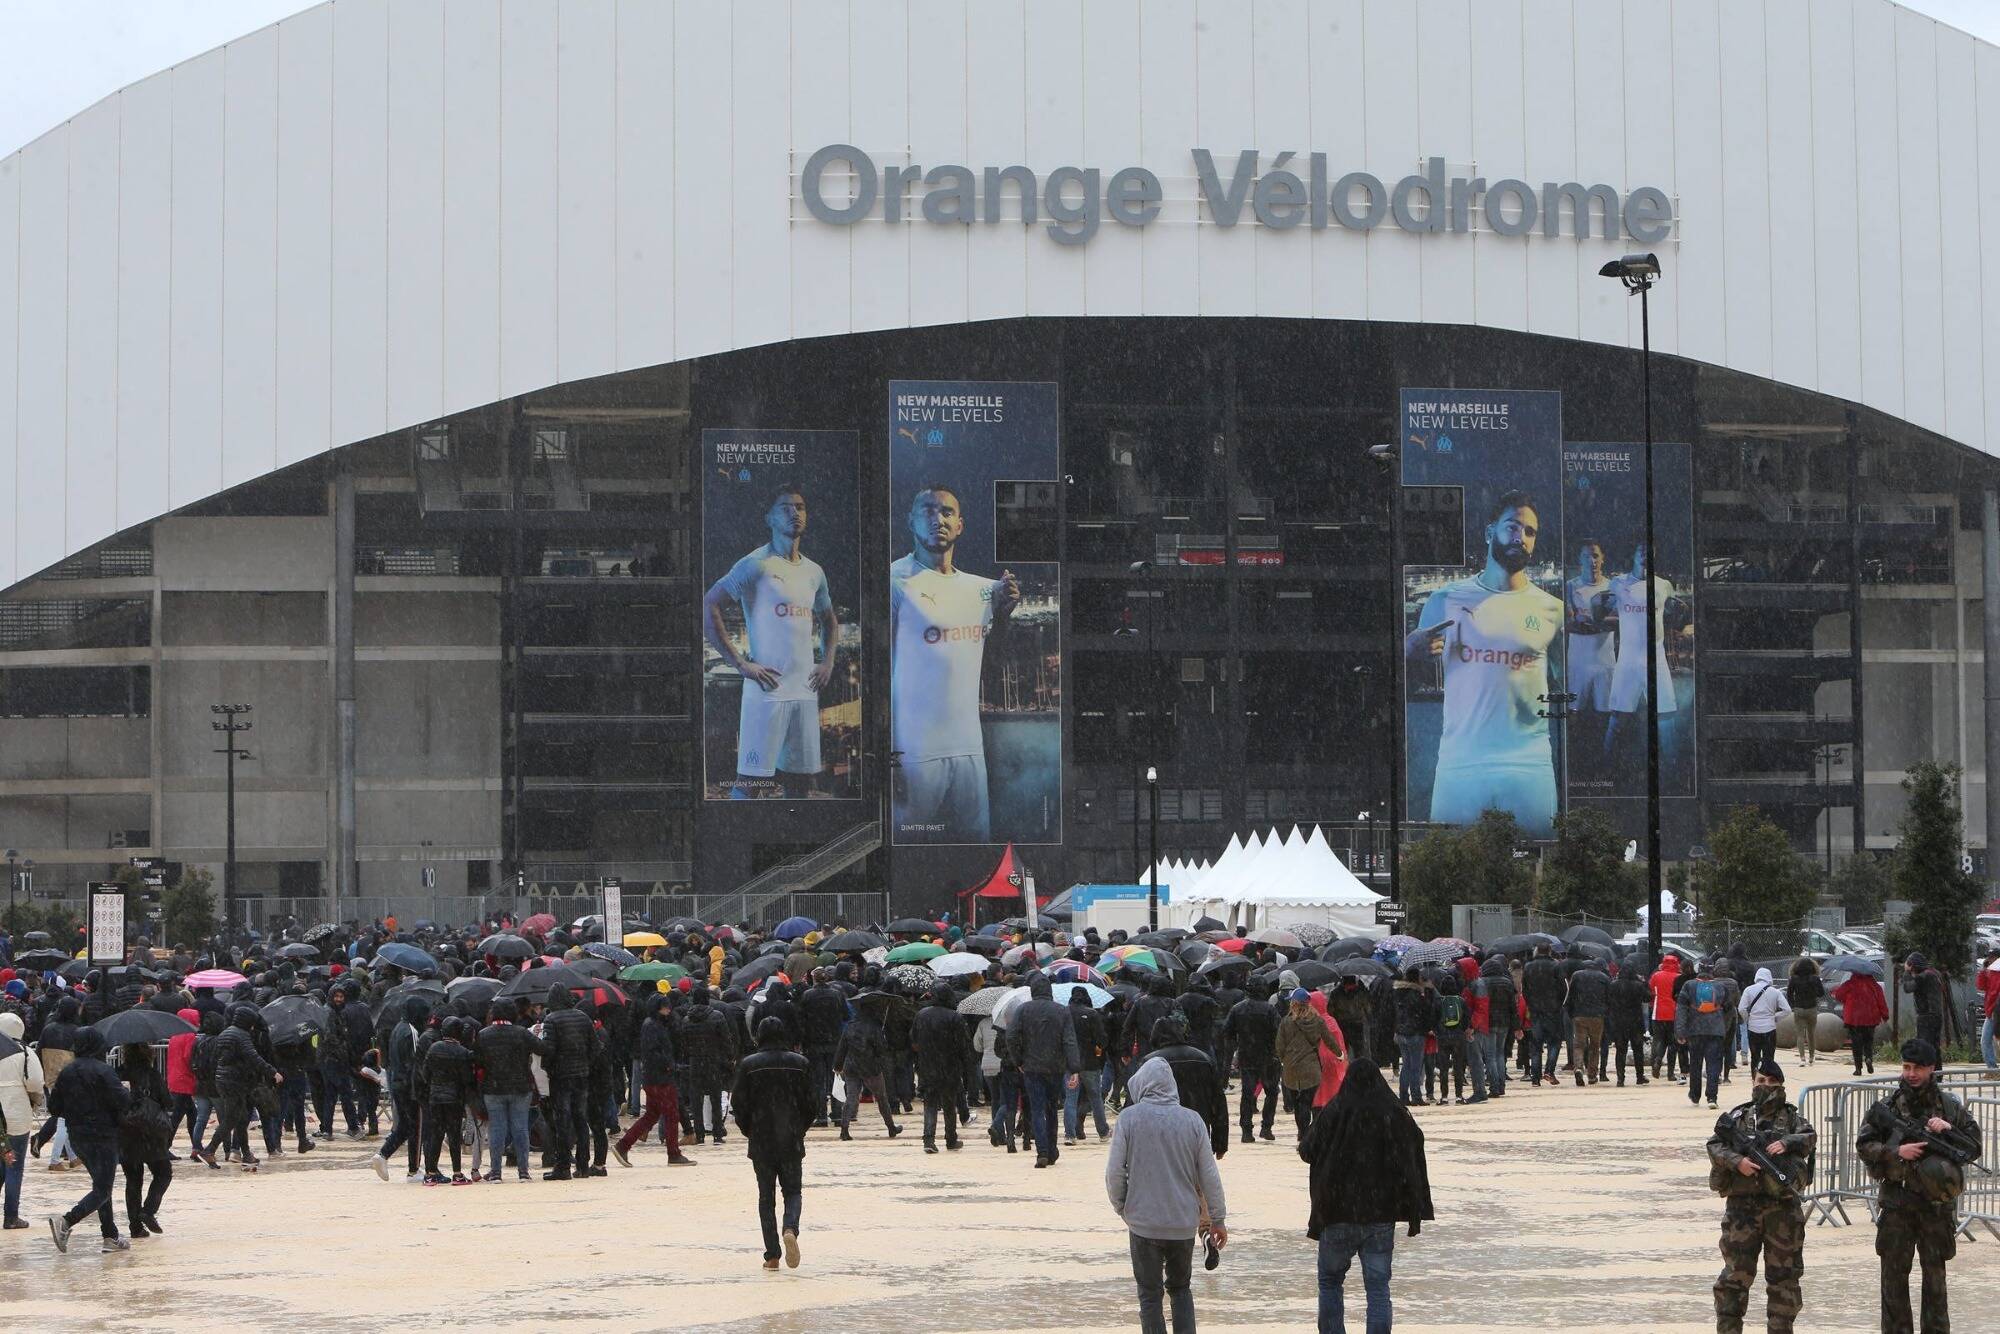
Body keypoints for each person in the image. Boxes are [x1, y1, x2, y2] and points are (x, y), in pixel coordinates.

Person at [1405, 489, 1563, 834]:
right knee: (1451, 874)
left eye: (1529, 531)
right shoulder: (1444, 600)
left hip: (1529, 764)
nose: (1520, 537)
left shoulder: (1552, 609)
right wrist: (1408, 652)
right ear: (1490, 533)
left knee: (1535, 872)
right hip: (1460, 764)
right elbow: (1406, 669)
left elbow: (1565, 682)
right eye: (1512, 526)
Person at [888, 483, 1021, 842]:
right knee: (907, 851)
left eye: (947, 512)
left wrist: (1004, 614)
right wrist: (890, 758)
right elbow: (876, 674)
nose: (938, 519)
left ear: (960, 525)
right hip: (914, 753)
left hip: (968, 749)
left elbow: (993, 664)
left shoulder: (982, 590)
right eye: (928, 511)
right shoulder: (893, 582)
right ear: (910, 521)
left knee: (977, 850)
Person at [701, 486, 840, 800]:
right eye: (785, 507)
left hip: (804, 691)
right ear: (769, 517)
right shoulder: (755, 564)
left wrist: (827, 661)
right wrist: (740, 663)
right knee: (749, 784)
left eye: (800, 507)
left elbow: (829, 619)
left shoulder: (814, 572)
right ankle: (735, 845)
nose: (794, 513)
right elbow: (709, 604)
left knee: (802, 785)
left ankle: (796, 848)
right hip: (766, 691)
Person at [1299, 1053, 1434, 1334]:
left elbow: (1307, 1150)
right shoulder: (1393, 1112)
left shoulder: (1335, 1110)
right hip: (1379, 1213)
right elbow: (1413, 1150)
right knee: (1378, 1287)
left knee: (1330, 1282)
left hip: (1336, 1212)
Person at [1856, 1039, 1983, 1334]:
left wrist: (1949, 1130)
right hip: (1897, 1203)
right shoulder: (1888, 1107)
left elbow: (1973, 1148)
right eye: (1906, 1067)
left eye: (1918, 1068)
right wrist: (1895, 1153)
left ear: (1931, 1069)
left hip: (1935, 1208)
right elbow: (1864, 1144)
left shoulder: (1950, 1107)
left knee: (1935, 1283)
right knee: (1893, 1283)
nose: (1911, 1074)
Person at [1104, 1058, 1228, 1334]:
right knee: (1181, 1289)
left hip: (1143, 1223)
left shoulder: (1129, 1119)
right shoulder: (1192, 1121)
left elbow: (1114, 1173)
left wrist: (1123, 1207)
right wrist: (1217, 1218)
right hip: (1182, 1224)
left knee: (1149, 1295)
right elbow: (1209, 1176)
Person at [1706, 1060, 1815, 1334]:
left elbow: (1809, 1137)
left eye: (1770, 1081)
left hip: (1783, 1213)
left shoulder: (1792, 1119)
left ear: (1780, 1086)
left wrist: (1786, 1143)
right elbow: (1714, 1144)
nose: (1764, 1086)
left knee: (1784, 1281)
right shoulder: (1739, 1117)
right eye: (1759, 1080)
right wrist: (1737, 1161)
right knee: (1734, 1278)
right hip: (1742, 1211)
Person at [730, 1016, 818, 1271]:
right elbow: (811, 1103)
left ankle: (772, 1254)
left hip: (761, 1138)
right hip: (790, 1137)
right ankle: (790, 1227)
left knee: (765, 1197)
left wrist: (750, 1129)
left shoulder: (749, 1065)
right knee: (793, 1191)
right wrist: (799, 1127)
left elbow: (738, 1104)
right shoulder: (800, 1064)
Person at [44, 1029, 130, 1253]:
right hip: (103, 1136)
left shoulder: (67, 1072)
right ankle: (67, 1221)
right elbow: (122, 1101)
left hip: (77, 1137)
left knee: (101, 1186)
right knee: (103, 1189)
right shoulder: (104, 1071)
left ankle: (110, 1236)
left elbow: (54, 1108)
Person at [1603, 542, 1682, 762]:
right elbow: (1601, 610)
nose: (1646, 555)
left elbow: (1674, 612)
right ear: (1633, 554)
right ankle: (1606, 764)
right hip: (1628, 658)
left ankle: (1672, 768)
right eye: (1641, 551)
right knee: (1618, 717)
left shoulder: (1664, 585)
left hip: (1655, 657)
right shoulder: (1617, 584)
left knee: (1666, 716)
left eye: (1650, 551)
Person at [1005, 975, 1081, 1168]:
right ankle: (1052, 1148)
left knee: (1037, 1109)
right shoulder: (1061, 1011)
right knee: (1052, 1109)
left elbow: (1011, 1037)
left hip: (1031, 1067)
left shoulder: (1023, 1010)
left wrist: (1019, 1060)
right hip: (1055, 1067)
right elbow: (1069, 1041)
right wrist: (1074, 1069)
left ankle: (1042, 1152)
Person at [472, 997, 550, 1182]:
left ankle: (496, 1172)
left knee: (497, 1130)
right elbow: (542, 1049)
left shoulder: (483, 1034)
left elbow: (478, 1061)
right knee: (521, 1128)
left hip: (493, 1088)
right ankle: (523, 1171)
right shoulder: (521, 1033)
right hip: (520, 1087)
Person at [613, 993, 694, 1168]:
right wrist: (668, 1065)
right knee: (672, 1114)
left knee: (651, 1116)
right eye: (665, 1007)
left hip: (654, 1076)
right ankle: (673, 1153)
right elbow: (653, 1052)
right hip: (660, 1078)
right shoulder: (653, 1026)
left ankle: (623, 1146)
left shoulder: (653, 1024)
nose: (668, 1010)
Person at [1148, 1016, 1229, 1161]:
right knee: (1195, 1178)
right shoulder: (1204, 1059)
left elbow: (1133, 1104)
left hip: (1160, 1133)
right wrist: (1220, 1142)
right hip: (1198, 1130)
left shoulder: (1150, 1062)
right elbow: (1218, 1102)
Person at [114, 1042, 173, 1237]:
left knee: (133, 1180)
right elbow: (167, 1101)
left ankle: (135, 1228)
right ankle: (148, 1211)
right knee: (163, 1173)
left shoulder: (117, 1074)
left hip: (126, 1132)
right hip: (151, 1134)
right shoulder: (152, 1074)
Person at [538, 984, 596, 1180]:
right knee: (581, 1119)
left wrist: (548, 1067)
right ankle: (583, 1164)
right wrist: (585, 1063)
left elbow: (548, 1049)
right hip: (581, 1074)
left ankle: (562, 1165)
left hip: (561, 1077)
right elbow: (595, 1046)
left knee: (562, 1121)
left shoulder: (551, 1020)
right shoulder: (583, 1017)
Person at [910, 989, 970, 1153]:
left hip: (927, 1066)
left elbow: (914, 1042)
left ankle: (928, 1139)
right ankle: (950, 1139)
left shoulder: (921, 1014)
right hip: (949, 1067)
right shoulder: (954, 1017)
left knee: (930, 1104)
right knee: (949, 1104)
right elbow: (962, 1045)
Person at [832, 1002, 901, 1141]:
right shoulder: (874, 1027)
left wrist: (838, 1065)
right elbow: (881, 1049)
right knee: (881, 1098)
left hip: (851, 1067)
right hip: (870, 1067)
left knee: (851, 1097)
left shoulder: (850, 1027)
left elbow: (842, 1047)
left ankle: (844, 1129)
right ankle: (891, 1127)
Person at [0, 1010, 43, 1229]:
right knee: (13, 1166)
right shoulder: (25, 1053)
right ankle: (11, 1217)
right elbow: (35, 1084)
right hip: (16, 1117)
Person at [1226, 979, 1281, 1143]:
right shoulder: (1270, 1009)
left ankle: (1246, 1130)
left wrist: (1238, 1045)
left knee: (1247, 1093)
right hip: (1267, 1056)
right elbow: (1278, 1032)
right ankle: (1266, 1127)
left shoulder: (1237, 1009)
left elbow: (1227, 1032)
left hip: (1246, 1055)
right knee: (1271, 1092)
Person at [421, 1017, 475, 1184]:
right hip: (454, 1099)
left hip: (435, 1097)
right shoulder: (462, 1052)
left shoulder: (433, 1048)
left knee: (436, 1134)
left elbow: (425, 1073)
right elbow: (467, 1078)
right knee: (454, 1135)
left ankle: (430, 1172)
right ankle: (457, 1173)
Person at [1276, 988, 1333, 1137]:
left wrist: (1285, 1059)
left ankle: (1302, 1132)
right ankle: (1307, 1133)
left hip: (1291, 1068)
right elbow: (1329, 1040)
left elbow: (1279, 1046)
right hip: (1311, 1068)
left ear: (1293, 1003)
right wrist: (1339, 1054)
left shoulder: (1285, 1022)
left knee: (1297, 1103)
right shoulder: (1317, 1020)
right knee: (1307, 1102)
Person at [1677, 960, 1731, 1109]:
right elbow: (1729, 1009)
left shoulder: (1689, 986)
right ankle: (1712, 1097)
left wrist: (1680, 1031)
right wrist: (1723, 1027)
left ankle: (1695, 1095)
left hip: (1695, 1030)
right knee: (1714, 1064)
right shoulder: (1721, 987)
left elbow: (1681, 1010)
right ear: (1713, 971)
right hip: (1716, 1030)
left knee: (1695, 1063)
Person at [1064, 986, 1111, 1145]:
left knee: (1070, 1098)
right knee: (1096, 1098)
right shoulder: (1092, 1014)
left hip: (1070, 1063)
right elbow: (1102, 1039)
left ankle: (1070, 1135)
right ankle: (1103, 1132)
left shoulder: (1064, 1013)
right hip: (1090, 1062)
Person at [1519, 944, 1566, 1087]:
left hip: (1535, 1010)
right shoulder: (1556, 966)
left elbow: (1524, 988)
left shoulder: (1528, 967)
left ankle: (1535, 1077)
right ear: (1550, 951)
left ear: (1537, 951)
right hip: (1552, 1010)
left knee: (1536, 1044)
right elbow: (1563, 988)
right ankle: (1549, 1070)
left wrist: (1531, 1003)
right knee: (1554, 1042)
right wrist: (1557, 1003)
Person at [1832, 967, 1889, 1076]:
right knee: (1868, 1041)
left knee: (1856, 1043)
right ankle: (1868, 1058)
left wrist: (1847, 999)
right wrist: (1885, 1015)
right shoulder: (1874, 985)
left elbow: (1838, 995)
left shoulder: (1850, 984)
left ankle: (1858, 1068)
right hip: (1870, 1018)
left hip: (1854, 1019)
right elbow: (1881, 1001)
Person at [1565, 953, 1612, 1086]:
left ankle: (1579, 1067)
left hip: (1579, 1015)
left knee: (1579, 1044)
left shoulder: (1577, 976)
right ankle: (1592, 1074)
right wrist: (1606, 1013)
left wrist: (1570, 1013)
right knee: (1595, 1046)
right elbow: (1609, 998)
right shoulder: (1604, 977)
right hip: (1597, 1016)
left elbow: (1570, 996)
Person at [1737, 967, 1791, 1074]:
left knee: (1755, 1057)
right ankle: (1768, 1078)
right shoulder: (1775, 992)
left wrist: (1748, 1019)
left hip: (1753, 1028)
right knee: (1769, 1058)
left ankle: (1755, 1078)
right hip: (1770, 1028)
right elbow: (1787, 1010)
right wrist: (1775, 1017)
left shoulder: (1748, 990)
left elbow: (1741, 1008)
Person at [1607, 956, 1651, 1087]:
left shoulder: (1613, 985)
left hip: (1619, 1022)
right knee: (1638, 1050)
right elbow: (1647, 998)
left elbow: (1608, 1000)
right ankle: (1639, 1076)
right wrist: (1643, 983)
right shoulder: (1638, 985)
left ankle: (1620, 1078)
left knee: (1620, 1050)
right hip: (1635, 1022)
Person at [1649, 953, 1685, 1082]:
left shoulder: (1656, 976)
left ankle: (1658, 1059)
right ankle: (1670, 1073)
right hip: (1674, 1013)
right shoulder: (1679, 978)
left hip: (1658, 1012)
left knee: (1659, 1039)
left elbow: (1651, 991)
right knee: (1673, 1044)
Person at [1901, 954, 1946, 1054]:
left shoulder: (1924, 976)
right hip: (1936, 1015)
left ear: (1912, 965)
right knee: (1934, 1046)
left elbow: (1908, 988)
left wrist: (1907, 972)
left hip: (1926, 1016)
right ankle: (1936, 1069)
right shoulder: (1934, 972)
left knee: (1925, 1047)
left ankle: (1928, 1069)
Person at [1785, 959, 1825, 1067]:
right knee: (1811, 1034)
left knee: (1800, 1034)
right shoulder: (1815, 978)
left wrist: (1793, 1005)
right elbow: (1821, 993)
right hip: (1812, 1008)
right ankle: (1811, 1057)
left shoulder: (1794, 979)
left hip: (1798, 1008)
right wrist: (1814, 992)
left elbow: (1789, 994)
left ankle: (1802, 1058)